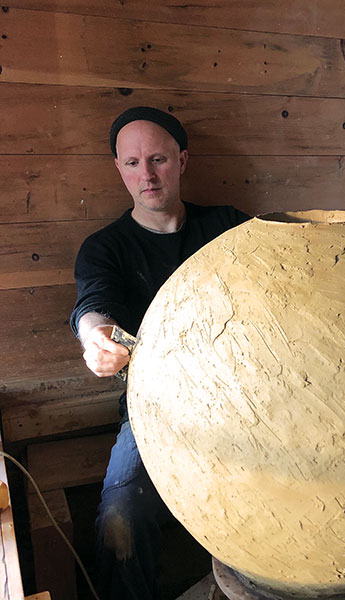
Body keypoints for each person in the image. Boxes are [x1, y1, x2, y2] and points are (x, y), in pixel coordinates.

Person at [70, 106, 249, 600]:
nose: (146, 175)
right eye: (132, 163)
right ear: (118, 169)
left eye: (157, 159)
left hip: (246, 403)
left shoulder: (229, 228)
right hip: (156, 413)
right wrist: (97, 339)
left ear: (182, 160)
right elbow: (93, 306)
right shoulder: (105, 248)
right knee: (121, 517)